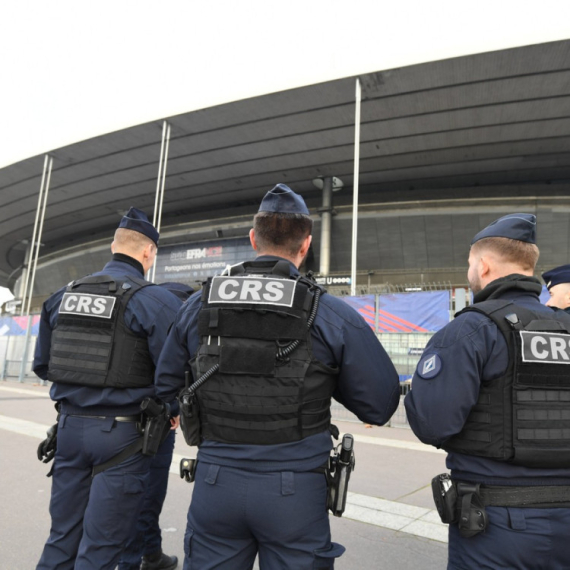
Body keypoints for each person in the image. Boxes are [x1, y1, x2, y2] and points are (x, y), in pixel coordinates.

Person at [155, 184, 400, 570]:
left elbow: (165, 386)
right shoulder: (328, 311)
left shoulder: (198, 305)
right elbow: (380, 404)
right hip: (295, 492)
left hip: (216, 483)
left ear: (253, 239)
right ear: (305, 245)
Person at [405, 213, 570, 570]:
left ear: (483, 266)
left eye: (469, 264)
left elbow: (433, 425)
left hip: (498, 524)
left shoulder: (472, 330)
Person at [33, 207, 182, 570]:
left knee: (62, 538)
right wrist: (173, 408)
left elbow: (42, 366)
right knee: (101, 548)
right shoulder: (155, 301)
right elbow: (172, 374)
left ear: (112, 246)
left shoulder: (62, 296)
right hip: (124, 436)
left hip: (69, 430)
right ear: (149, 252)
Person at [119, 282, 195, 570]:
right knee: (146, 493)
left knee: (130, 491)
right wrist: (175, 409)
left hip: (118, 413)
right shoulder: (183, 311)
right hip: (157, 417)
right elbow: (179, 369)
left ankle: (151, 552)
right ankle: (131, 562)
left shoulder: (141, 305)